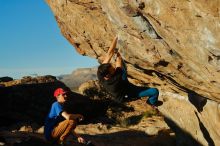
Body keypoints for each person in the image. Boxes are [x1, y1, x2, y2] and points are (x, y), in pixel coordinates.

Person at [97, 36, 159, 107]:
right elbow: (118, 60)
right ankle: (151, 103)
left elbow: (109, 54)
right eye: (113, 70)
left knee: (122, 70)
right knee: (154, 91)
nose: (114, 68)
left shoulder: (100, 72)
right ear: (108, 75)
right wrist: (119, 51)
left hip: (122, 84)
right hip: (127, 93)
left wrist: (115, 38)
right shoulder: (115, 80)